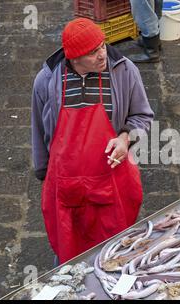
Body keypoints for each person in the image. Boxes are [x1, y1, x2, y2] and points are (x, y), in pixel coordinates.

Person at [31, 18, 154, 264]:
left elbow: (143, 116)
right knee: (69, 256)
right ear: (73, 58)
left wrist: (125, 138)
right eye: (92, 52)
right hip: (66, 184)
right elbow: (37, 127)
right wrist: (43, 171)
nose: (102, 56)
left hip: (112, 180)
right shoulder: (46, 80)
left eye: (102, 46)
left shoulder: (125, 70)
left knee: (116, 253)